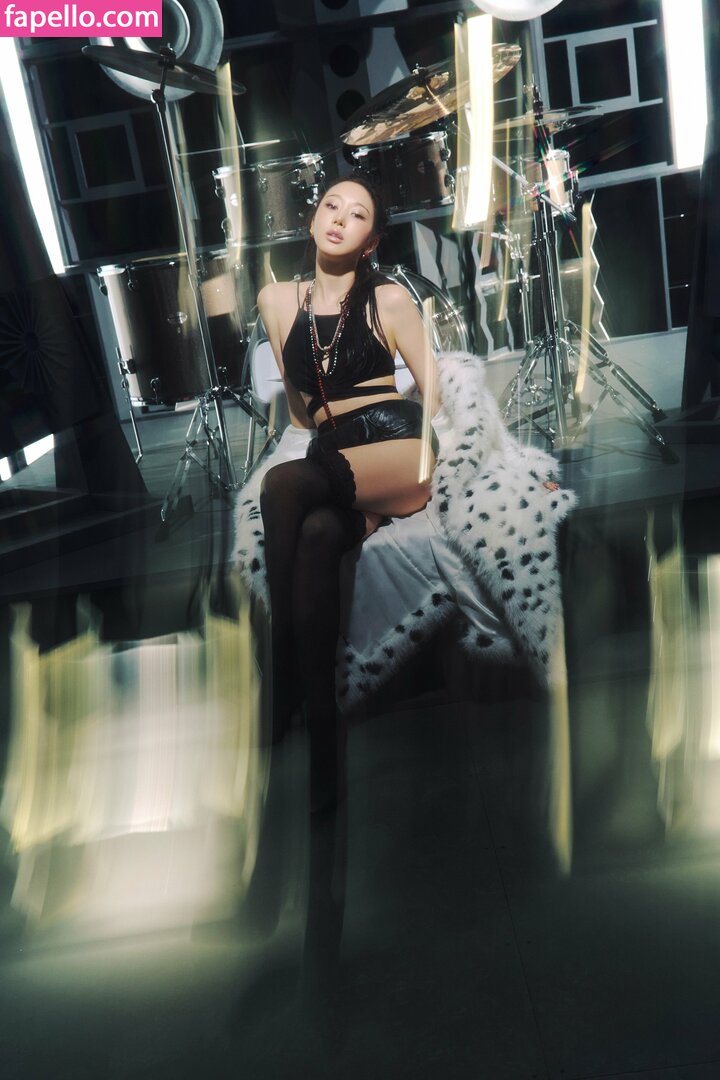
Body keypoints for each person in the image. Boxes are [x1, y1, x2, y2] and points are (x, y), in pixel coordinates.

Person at [257, 174, 440, 810]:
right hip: (336, 454)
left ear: (371, 240)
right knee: (315, 535)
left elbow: (434, 394)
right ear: (312, 220)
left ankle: (280, 669)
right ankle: (323, 737)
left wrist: (396, 441)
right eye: (331, 206)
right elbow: (302, 413)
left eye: (357, 214)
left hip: (395, 443)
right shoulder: (277, 300)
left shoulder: (387, 298)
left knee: (282, 483)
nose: (339, 218)